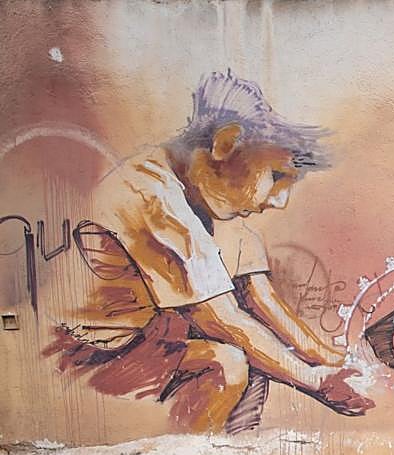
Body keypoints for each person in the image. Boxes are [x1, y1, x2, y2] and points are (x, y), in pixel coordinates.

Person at [47, 70, 373, 433]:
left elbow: (262, 301)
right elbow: (220, 319)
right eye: (276, 177)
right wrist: (315, 381)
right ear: (226, 144)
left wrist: (333, 360)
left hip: (157, 345)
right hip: (93, 356)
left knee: (259, 360)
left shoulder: (212, 197)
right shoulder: (154, 197)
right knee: (227, 362)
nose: (279, 201)